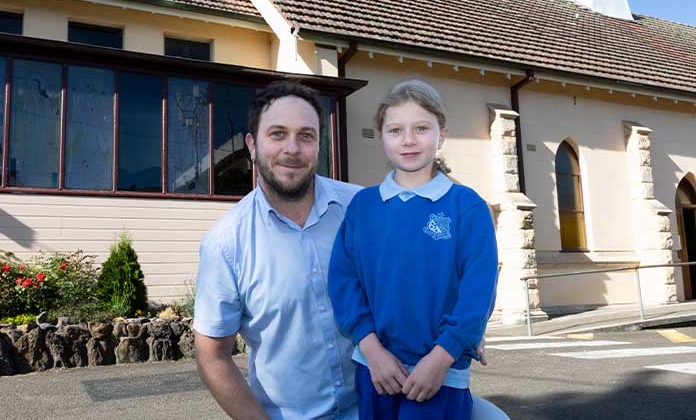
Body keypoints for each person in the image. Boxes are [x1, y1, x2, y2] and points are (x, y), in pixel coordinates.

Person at [193, 80, 507, 420]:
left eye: (306, 135)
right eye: (278, 134)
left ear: (319, 144)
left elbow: (453, 258)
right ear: (252, 145)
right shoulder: (226, 243)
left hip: (395, 389)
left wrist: (459, 337)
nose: (293, 148)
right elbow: (212, 355)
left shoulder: (358, 203)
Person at [328, 79, 499, 420]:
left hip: (442, 371)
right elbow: (343, 282)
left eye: (421, 128)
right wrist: (371, 349)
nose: (408, 140)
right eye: (395, 130)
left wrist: (443, 355)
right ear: (381, 138)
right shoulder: (363, 207)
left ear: (442, 134)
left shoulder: (466, 206)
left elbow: (478, 292)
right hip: (376, 368)